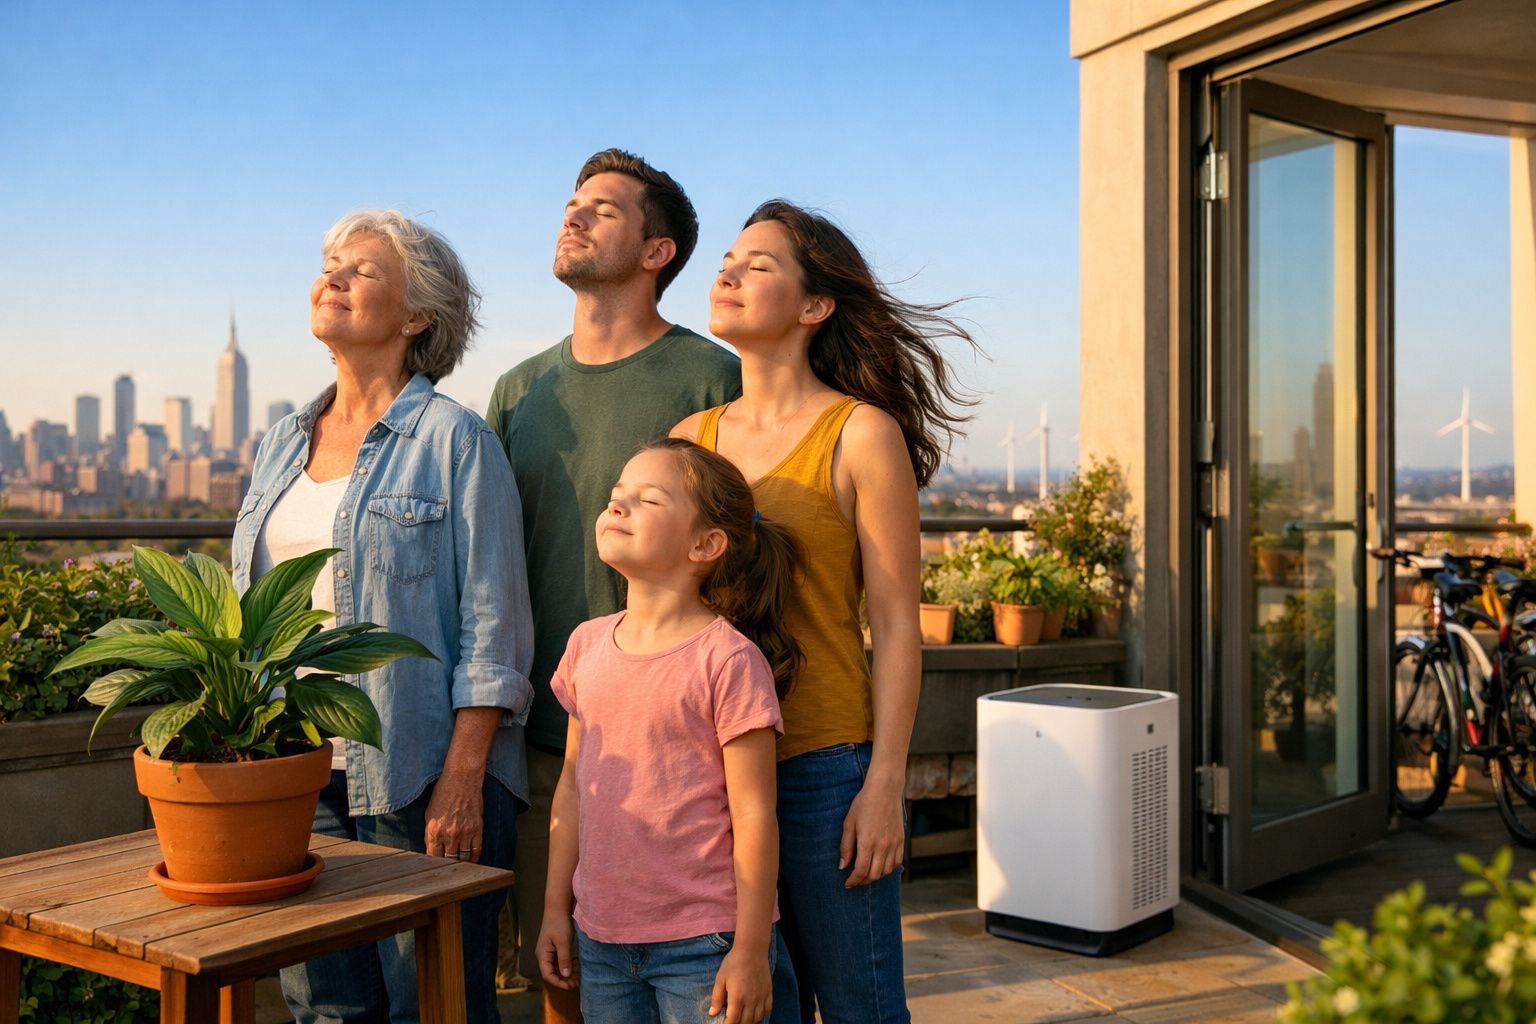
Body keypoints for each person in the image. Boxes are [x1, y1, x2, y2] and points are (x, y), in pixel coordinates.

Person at [675, 200, 976, 1024]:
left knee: (861, 1009)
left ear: (815, 307)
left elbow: (898, 627)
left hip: (824, 769)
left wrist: (885, 787)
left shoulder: (861, 434)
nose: (728, 272)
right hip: (714, 774)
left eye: (759, 264)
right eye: (728, 259)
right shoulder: (689, 442)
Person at [233, 209, 534, 1024]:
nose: (333, 278)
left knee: (429, 1008)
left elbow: (495, 625)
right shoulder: (280, 445)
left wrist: (464, 778)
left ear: (415, 317)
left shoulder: (456, 441)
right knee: (325, 1009)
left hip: (417, 772)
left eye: (361, 269)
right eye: (330, 263)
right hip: (298, 778)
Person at [486, 148, 741, 1018]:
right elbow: (489, 566)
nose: (574, 215)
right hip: (545, 742)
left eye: (602, 207)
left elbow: (740, 553)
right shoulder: (520, 391)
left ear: (655, 250)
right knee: (563, 977)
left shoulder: (710, 378)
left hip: (681, 752)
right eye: (571, 203)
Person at [535, 438, 801, 1024]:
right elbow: (572, 789)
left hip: (704, 944)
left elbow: (754, 814)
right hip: (601, 939)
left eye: (647, 499)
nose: (619, 506)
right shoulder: (585, 644)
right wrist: (557, 909)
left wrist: (752, 949)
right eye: (616, 496)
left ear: (705, 545)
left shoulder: (728, 660)